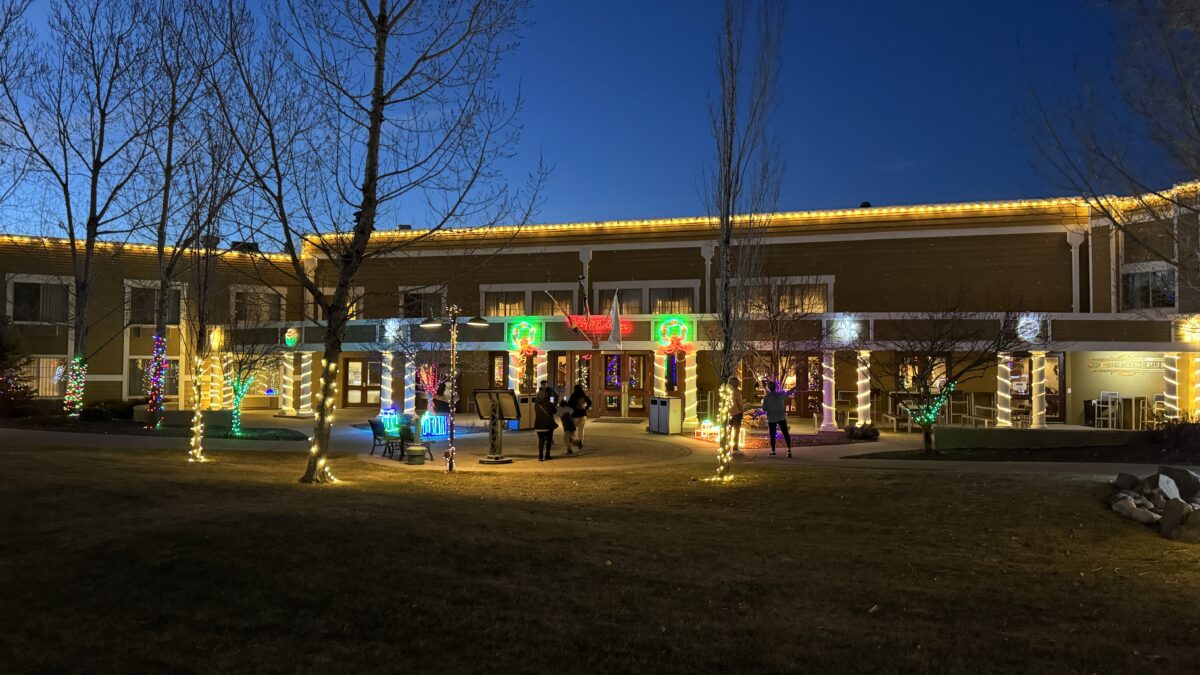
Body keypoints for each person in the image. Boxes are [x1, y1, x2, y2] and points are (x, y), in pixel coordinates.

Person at [761, 379, 793, 458]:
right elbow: (789, 393)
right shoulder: (780, 395)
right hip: (781, 417)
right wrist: (795, 388)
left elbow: (764, 408)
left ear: (768, 388)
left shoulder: (767, 398)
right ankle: (789, 450)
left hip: (772, 418)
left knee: (772, 434)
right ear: (775, 387)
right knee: (785, 433)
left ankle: (773, 451)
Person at [566, 383, 592, 449]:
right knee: (581, 429)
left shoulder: (573, 395)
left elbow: (569, 405)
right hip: (583, 414)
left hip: (575, 414)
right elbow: (589, 402)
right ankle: (580, 441)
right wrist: (586, 407)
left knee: (573, 428)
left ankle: (572, 438)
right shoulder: (583, 395)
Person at [534, 389, 558, 461]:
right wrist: (552, 402)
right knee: (548, 440)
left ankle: (540, 456)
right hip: (548, 425)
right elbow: (554, 411)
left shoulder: (536, 405)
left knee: (541, 440)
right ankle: (547, 454)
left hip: (538, 425)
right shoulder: (549, 404)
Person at [727, 376, 745, 455]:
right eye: (737, 382)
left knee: (728, 431)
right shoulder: (737, 392)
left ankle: (726, 447)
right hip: (736, 413)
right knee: (736, 431)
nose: (738, 384)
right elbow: (740, 403)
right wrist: (741, 411)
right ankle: (735, 448)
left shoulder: (726, 391)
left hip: (728, 413)